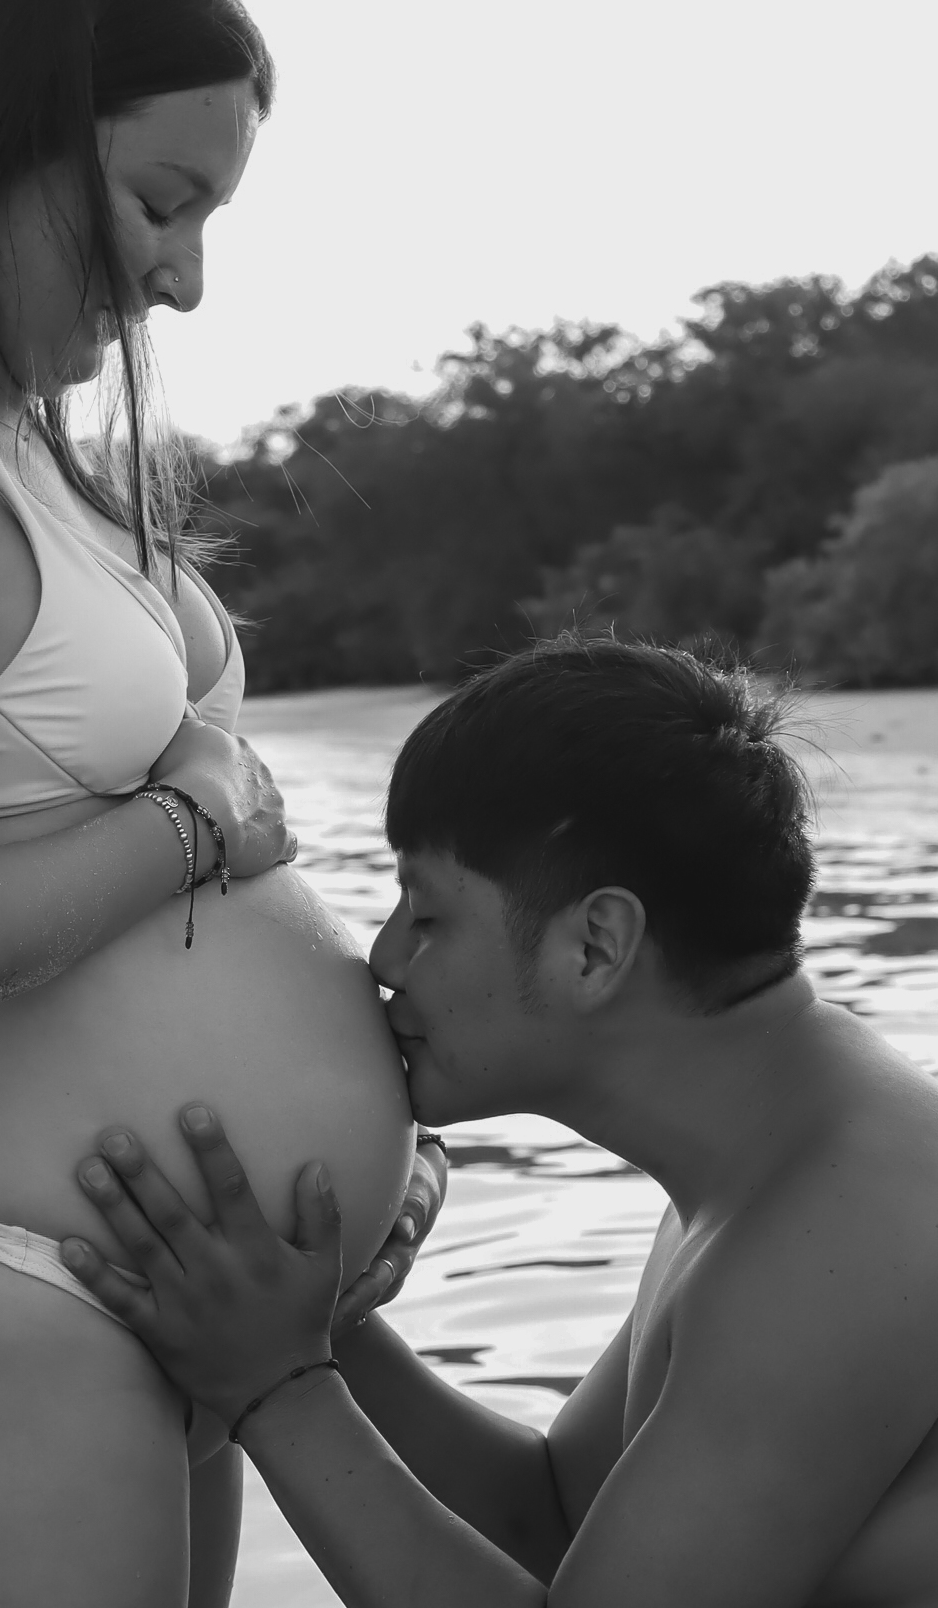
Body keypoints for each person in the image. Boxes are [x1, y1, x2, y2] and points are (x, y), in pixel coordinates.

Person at [0, 0, 429, 1608]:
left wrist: (380, 1163)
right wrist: (194, 821)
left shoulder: (35, 460)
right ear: (10, 137)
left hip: (176, 1311)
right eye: (161, 202)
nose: (187, 279)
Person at [66, 636, 938, 1608]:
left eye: (427, 914)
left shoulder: (847, 1230)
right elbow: (555, 1520)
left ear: (594, 946)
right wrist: (306, 1321)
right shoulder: (779, 1150)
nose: (384, 958)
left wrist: (277, 1394)